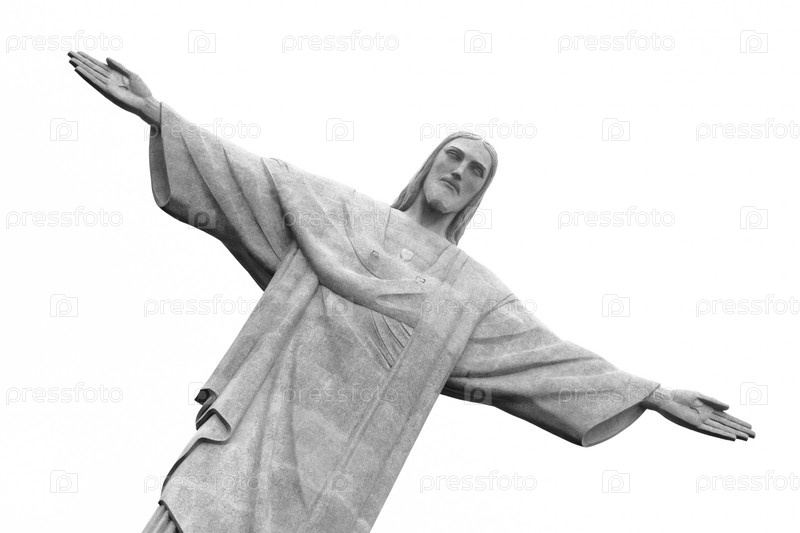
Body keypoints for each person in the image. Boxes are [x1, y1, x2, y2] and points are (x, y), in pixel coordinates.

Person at [67, 51, 755, 533]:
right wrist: (157, 114)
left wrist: (650, 393)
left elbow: (546, 359)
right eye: (453, 156)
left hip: (334, 473)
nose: (459, 170)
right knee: (192, 509)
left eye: (476, 170)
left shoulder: (469, 294)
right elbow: (250, 178)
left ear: (477, 195)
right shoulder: (343, 214)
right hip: (255, 428)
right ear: (430, 163)